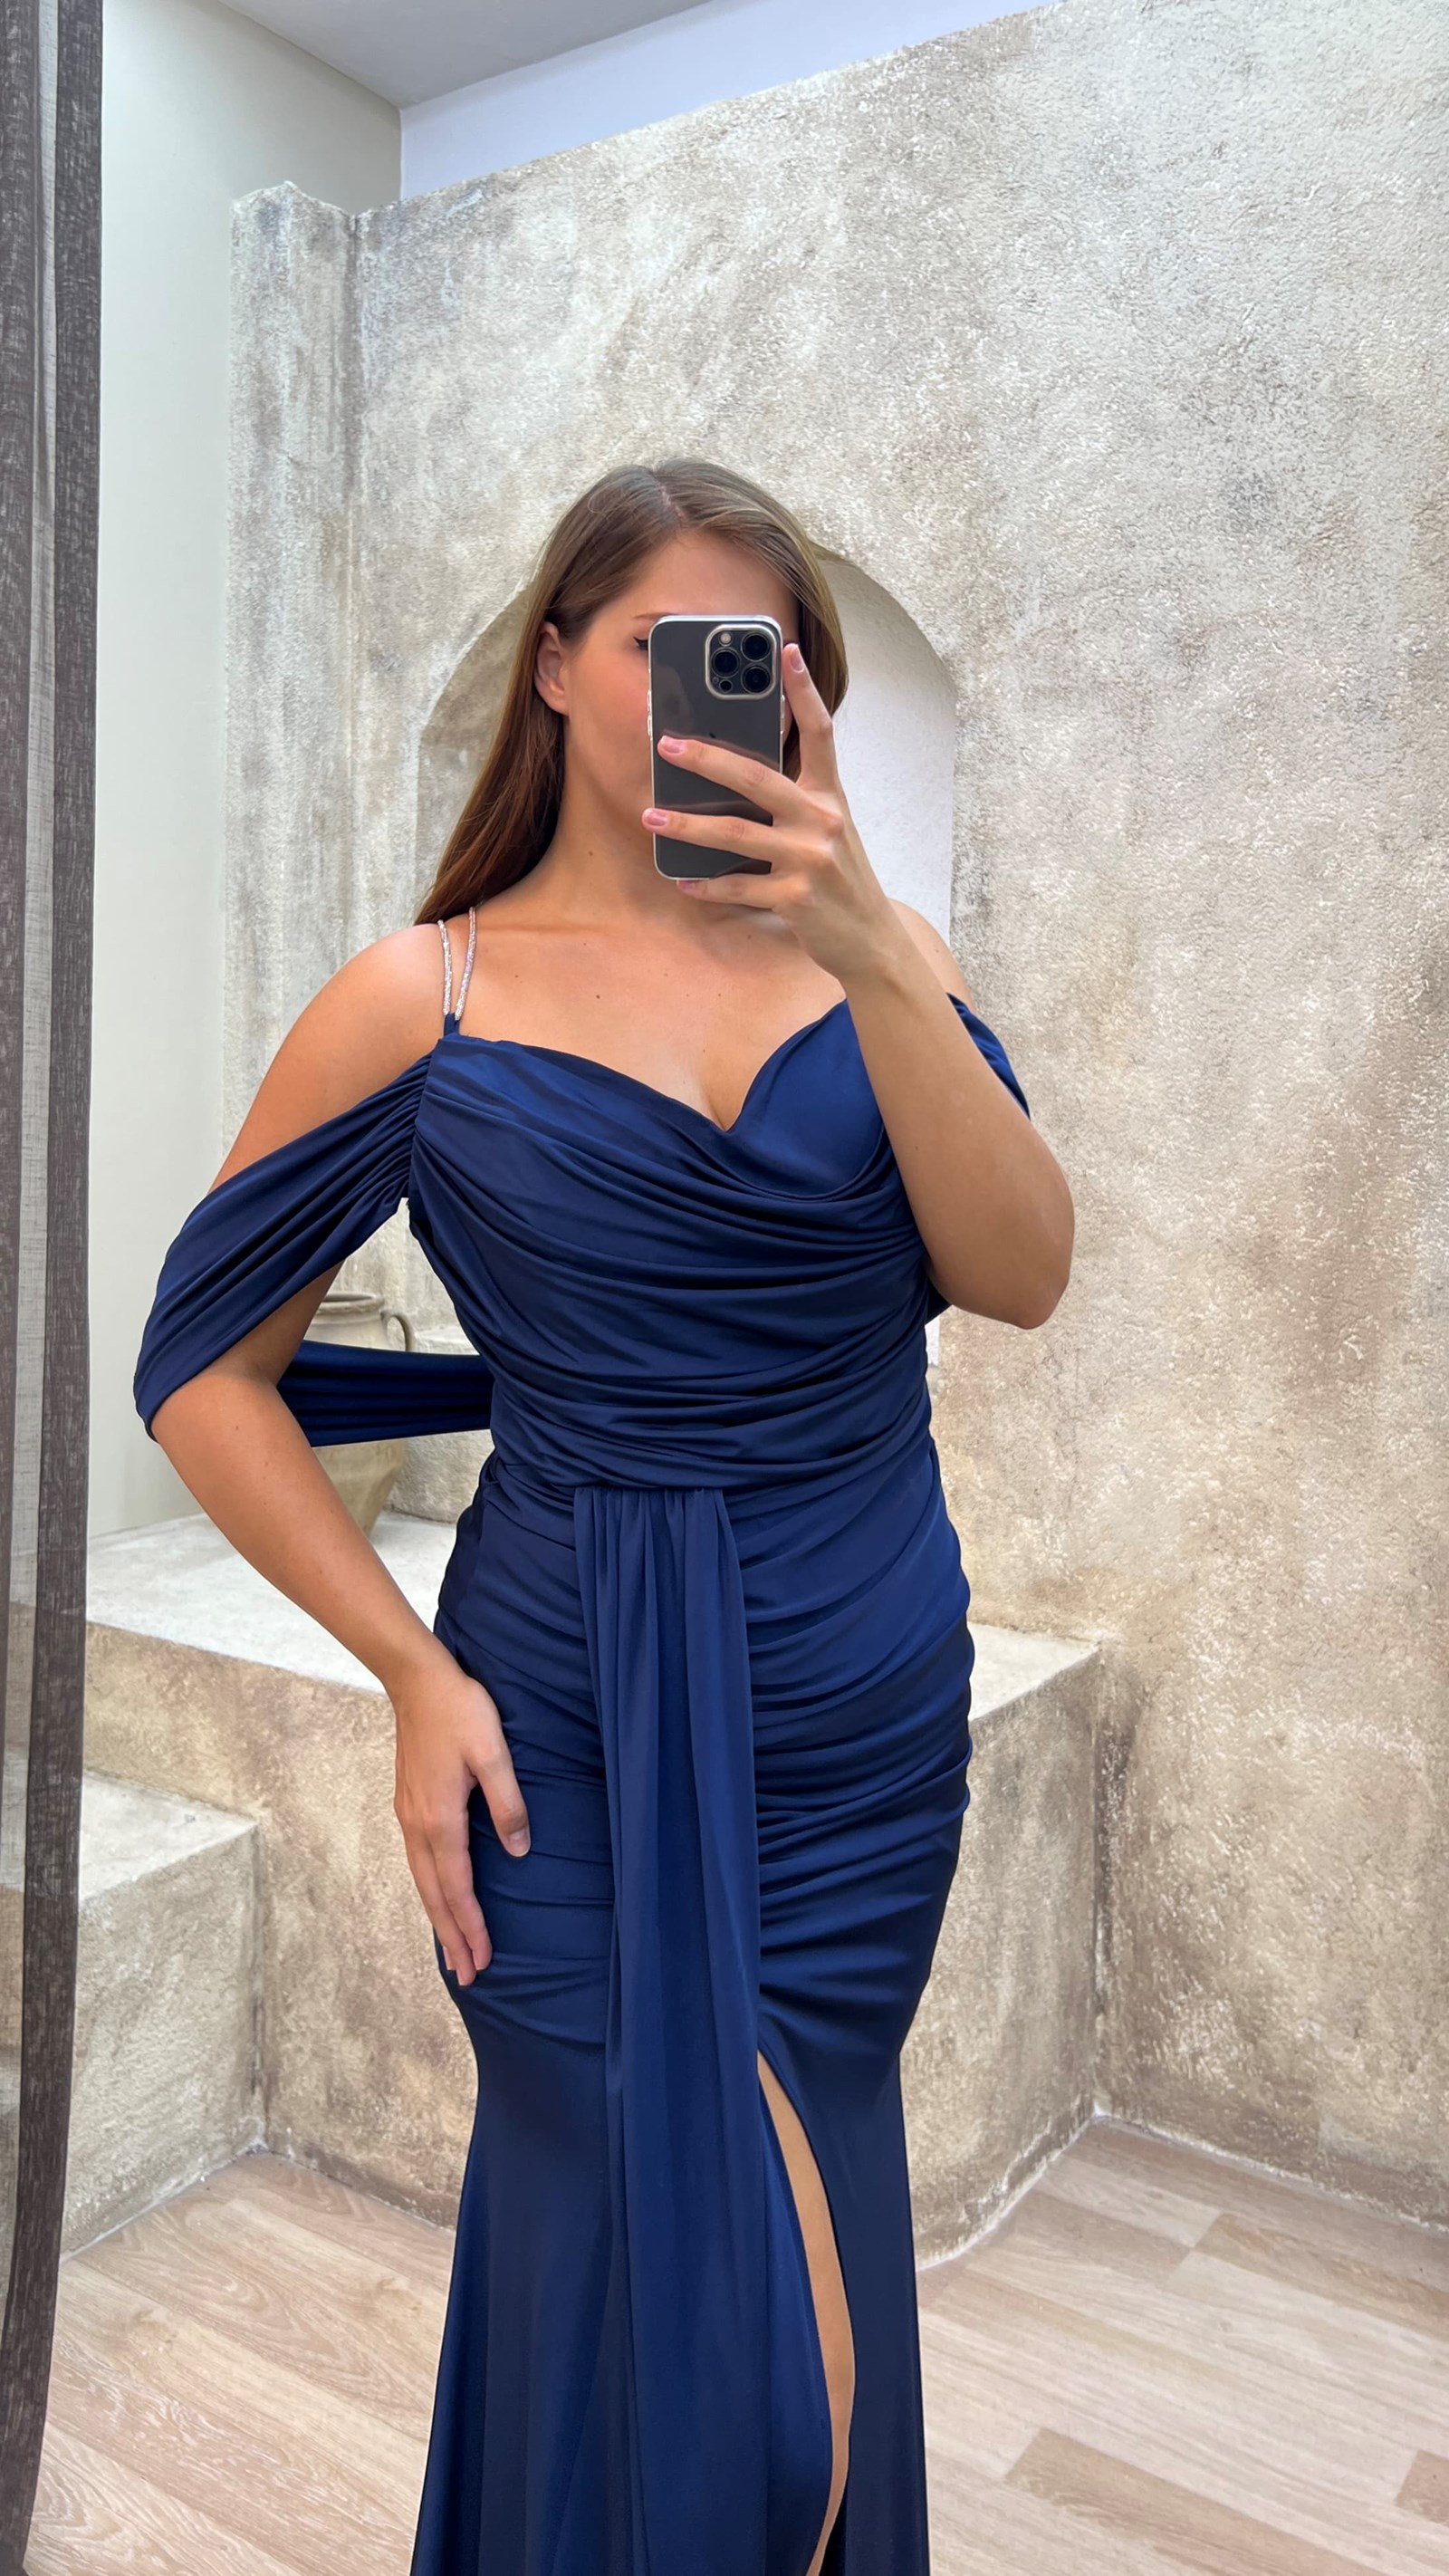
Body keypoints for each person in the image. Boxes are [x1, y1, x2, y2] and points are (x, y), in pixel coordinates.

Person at [134, 457, 1072, 2576]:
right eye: (668, 646)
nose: (715, 692)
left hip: (852, 1723)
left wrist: (869, 946)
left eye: (764, 657)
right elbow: (202, 1373)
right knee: (612, 2228)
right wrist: (407, 1673)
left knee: (799, 2244)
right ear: (555, 664)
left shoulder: (877, 965)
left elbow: (1019, 1273)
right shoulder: (425, 997)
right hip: (554, 1723)